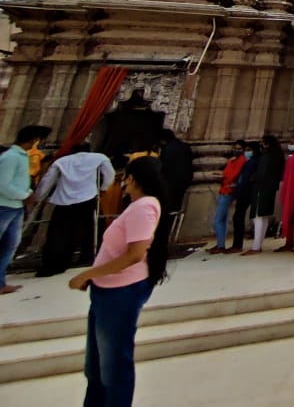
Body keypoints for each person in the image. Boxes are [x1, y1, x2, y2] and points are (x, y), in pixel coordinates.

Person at [68, 156, 171, 407]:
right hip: (107, 290)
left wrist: (87, 274)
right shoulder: (137, 206)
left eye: (124, 177)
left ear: (132, 178)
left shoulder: (144, 207)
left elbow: (135, 254)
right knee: (96, 367)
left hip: (121, 292)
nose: (121, 183)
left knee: (114, 365)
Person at [34, 142, 115, 276]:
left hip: (63, 199)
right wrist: (103, 188)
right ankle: (87, 256)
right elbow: (109, 174)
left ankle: (55, 261)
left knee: (59, 232)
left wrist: (39, 196)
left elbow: (48, 180)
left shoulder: (62, 161)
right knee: (89, 228)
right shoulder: (98, 157)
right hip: (87, 197)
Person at [0, 126, 44, 294]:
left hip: (15, 207)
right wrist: (24, 195)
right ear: (33, 139)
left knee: (9, 246)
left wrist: (27, 193)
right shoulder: (11, 157)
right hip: (4, 206)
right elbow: (2, 183)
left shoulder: (22, 156)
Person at [243, 134, 283, 256]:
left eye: (263, 143)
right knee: (264, 216)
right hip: (271, 188)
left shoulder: (266, 156)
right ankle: (258, 244)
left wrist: (253, 178)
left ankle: (256, 246)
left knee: (258, 216)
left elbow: (261, 173)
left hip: (261, 187)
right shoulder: (278, 156)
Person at [207, 140, 245, 254]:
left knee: (218, 219)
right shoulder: (234, 160)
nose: (236, 150)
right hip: (225, 188)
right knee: (222, 219)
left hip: (229, 190)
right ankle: (220, 243)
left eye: (239, 149)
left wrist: (224, 174)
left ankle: (220, 245)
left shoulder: (241, 160)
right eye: (235, 148)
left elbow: (232, 175)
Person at [274, 134, 294, 252]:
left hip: (292, 190)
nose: (290, 145)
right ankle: (290, 241)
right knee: (293, 217)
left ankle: (292, 242)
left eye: (292, 143)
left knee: (292, 216)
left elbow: (292, 177)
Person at [229, 141, 260, 253]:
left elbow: (245, 178)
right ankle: (237, 244)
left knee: (238, 217)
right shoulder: (251, 161)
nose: (246, 152)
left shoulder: (252, 162)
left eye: (248, 150)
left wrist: (237, 190)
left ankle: (237, 244)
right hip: (246, 191)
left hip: (245, 192)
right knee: (238, 217)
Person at [156, 128, 193, 213]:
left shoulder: (167, 149)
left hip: (171, 180)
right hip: (185, 179)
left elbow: (163, 166)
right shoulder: (185, 146)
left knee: (169, 204)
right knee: (178, 204)